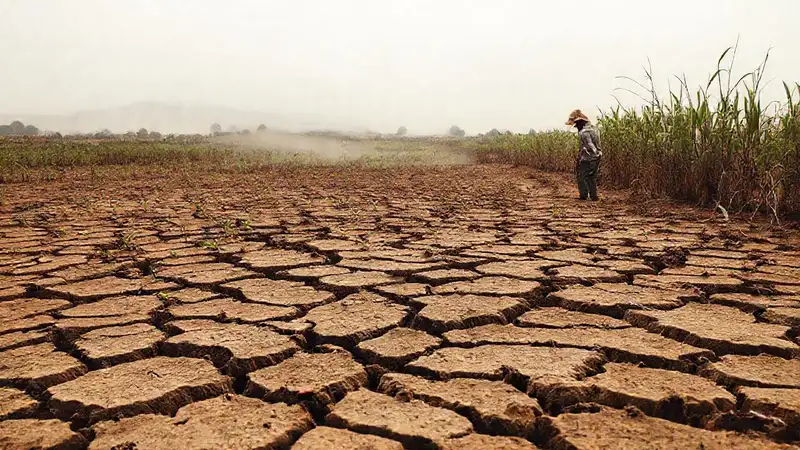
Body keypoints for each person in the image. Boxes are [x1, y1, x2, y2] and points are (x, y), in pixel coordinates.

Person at [566, 109, 602, 201]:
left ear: (579, 122)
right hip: (597, 156)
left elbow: (590, 146)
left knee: (581, 176)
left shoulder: (584, 133)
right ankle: (594, 196)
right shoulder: (594, 129)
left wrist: (583, 157)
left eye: (576, 124)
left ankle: (583, 196)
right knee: (591, 177)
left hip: (589, 157)